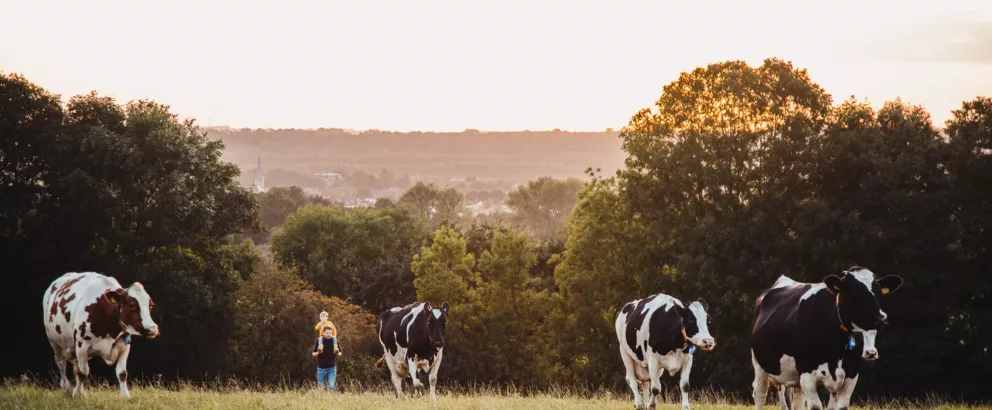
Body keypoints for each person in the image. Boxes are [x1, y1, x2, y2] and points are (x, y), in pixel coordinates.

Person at [312, 326, 342, 392]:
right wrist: (318, 352)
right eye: (327, 333)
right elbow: (313, 354)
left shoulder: (335, 341)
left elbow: (340, 353)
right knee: (320, 387)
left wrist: (337, 353)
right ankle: (321, 401)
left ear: (332, 333)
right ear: (324, 333)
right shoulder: (320, 341)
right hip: (321, 368)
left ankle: (331, 400)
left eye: (330, 333)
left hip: (332, 368)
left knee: (331, 386)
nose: (328, 334)